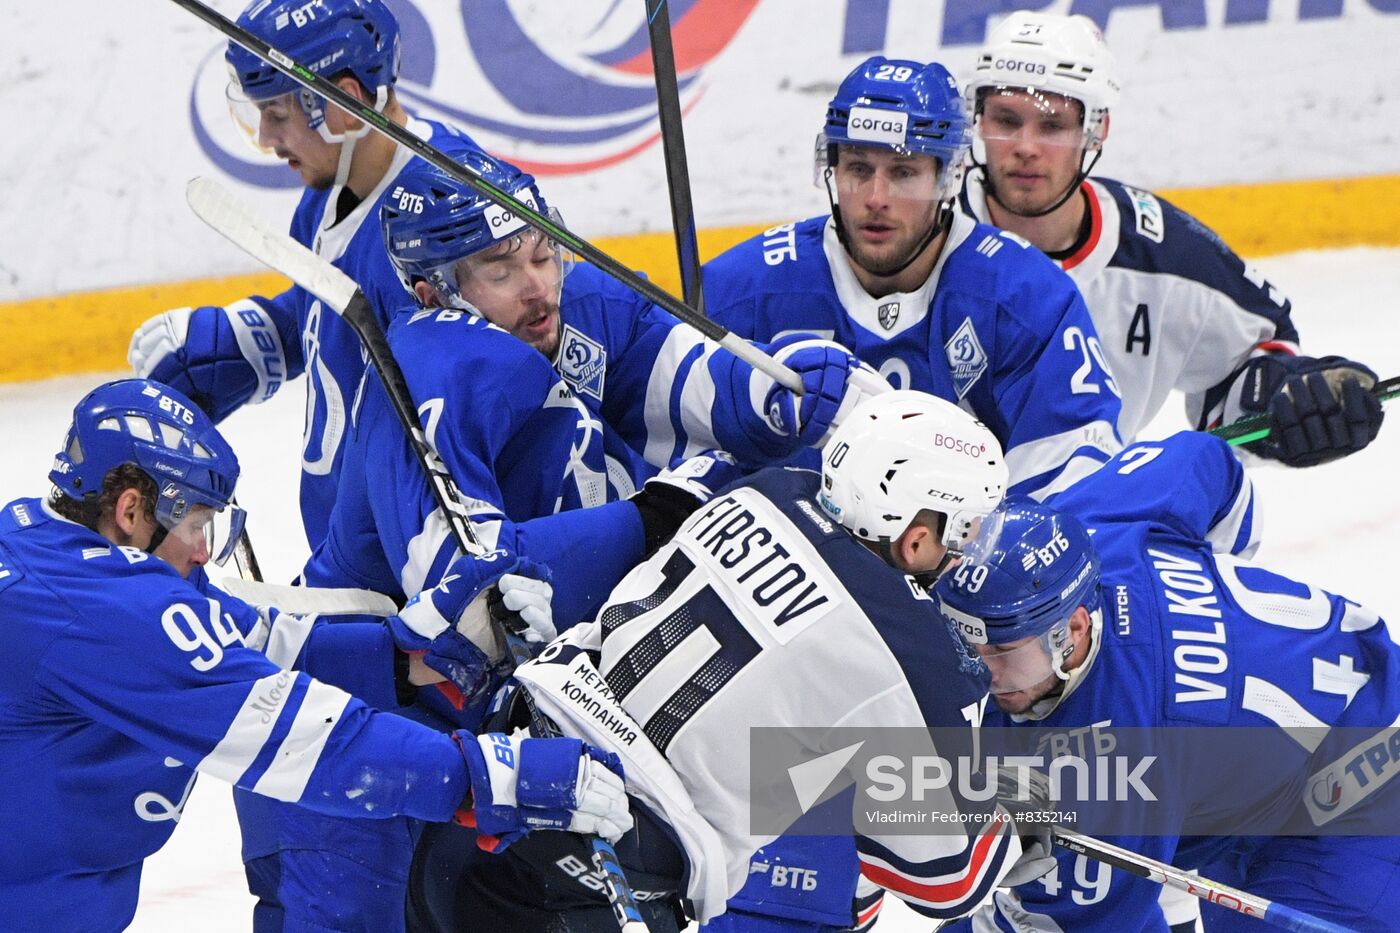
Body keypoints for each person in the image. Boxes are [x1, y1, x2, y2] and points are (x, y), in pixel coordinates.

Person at [409, 390, 1063, 931]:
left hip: (487, 790)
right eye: (965, 528)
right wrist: (1010, 827)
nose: (964, 550)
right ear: (916, 530)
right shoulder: (924, 660)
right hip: (589, 885)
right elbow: (945, 881)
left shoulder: (765, 489)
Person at [0, 379, 631, 933]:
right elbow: (301, 738)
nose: (201, 553)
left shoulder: (43, 544)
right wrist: (488, 776)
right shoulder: (107, 615)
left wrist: (405, 658)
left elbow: (256, 640)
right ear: (133, 510)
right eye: (196, 526)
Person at [933, 430, 1400, 931]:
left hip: (1355, 811)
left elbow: (1078, 927)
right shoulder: (1091, 527)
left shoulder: (1115, 760)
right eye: (967, 644)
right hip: (1272, 772)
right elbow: (1206, 460)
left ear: (1074, 628)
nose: (982, 672)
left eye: (1002, 651)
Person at [127, 0, 483, 549]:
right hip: (351, 547)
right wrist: (256, 340)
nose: (267, 138)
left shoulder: (444, 216)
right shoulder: (326, 197)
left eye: (277, 113)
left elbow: (486, 398)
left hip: (418, 559)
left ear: (341, 104)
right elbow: (347, 317)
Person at [958, 10, 1384, 463]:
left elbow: (1251, 363)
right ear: (979, 121)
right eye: (1006, 120)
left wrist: (1292, 402)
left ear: (1096, 130)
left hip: (1082, 524)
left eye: (1052, 125)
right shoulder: (924, 235)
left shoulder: (1166, 256)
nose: (1026, 146)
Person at [704, 55, 1124, 503]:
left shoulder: (1026, 299)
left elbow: (1074, 482)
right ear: (833, 169)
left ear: (948, 178)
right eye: (859, 170)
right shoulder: (744, 291)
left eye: (903, 173)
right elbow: (676, 453)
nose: (875, 199)